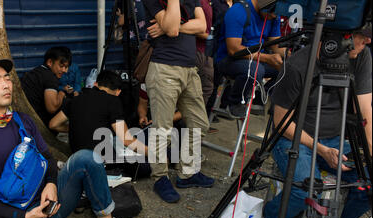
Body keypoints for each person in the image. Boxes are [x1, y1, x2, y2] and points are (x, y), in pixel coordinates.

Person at [0, 56, 163, 218]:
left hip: (53, 200)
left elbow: (47, 157)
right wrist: (25, 215)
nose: (5, 84)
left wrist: (51, 184)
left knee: (87, 156)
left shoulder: (22, 120)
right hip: (26, 217)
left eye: (7, 78)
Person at [263, 28, 372, 218]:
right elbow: (281, 124)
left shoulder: (361, 55)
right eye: (362, 36)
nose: (368, 41)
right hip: (294, 139)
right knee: (307, 186)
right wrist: (322, 149)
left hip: (336, 139)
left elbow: (364, 112)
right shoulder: (298, 65)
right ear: (340, 36)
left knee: (369, 183)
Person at [142, 0, 214, 204]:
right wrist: (170, 27)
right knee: (162, 129)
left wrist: (166, 28)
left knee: (200, 123)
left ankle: (187, 173)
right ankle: (160, 177)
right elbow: (172, 30)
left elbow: (203, 28)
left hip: (189, 70)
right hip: (164, 68)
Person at [49, 69, 148, 160]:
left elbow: (53, 124)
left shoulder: (75, 100)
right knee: (144, 164)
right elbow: (127, 140)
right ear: (118, 92)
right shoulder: (113, 101)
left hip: (77, 156)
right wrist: (153, 152)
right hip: (101, 160)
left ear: (95, 84)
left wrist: (76, 127)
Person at [214, 0, 285, 119]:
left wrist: (294, 56)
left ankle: (261, 95)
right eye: (272, 14)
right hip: (229, 60)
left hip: (257, 60)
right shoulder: (238, 11)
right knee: (254, 69)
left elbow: (276, 45)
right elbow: (234, 49)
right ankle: (235, 102)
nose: (274, 17)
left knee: (287, 69)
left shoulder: (273, 15)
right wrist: (267, 58)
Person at [20, 46, 72, 134]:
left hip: (25, 121)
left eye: (66, 67)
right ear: (50, 62)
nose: (65, 71)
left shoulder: (36, 72)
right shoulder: (50, 78)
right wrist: (62, 93)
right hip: (39, 125)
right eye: (61, 66)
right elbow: (52, 108)